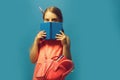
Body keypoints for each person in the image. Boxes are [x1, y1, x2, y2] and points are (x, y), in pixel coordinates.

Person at [30, 6, 73, 80]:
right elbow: (33, 60)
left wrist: (65, 45)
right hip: (39, 76)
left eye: (54, 20)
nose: (50, 22)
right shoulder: (40, 39)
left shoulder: (65, 39)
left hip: (56, 76)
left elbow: (68, 63)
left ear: (60, 21)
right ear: (43, 21)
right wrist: (36, 41)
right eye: (47, 20)